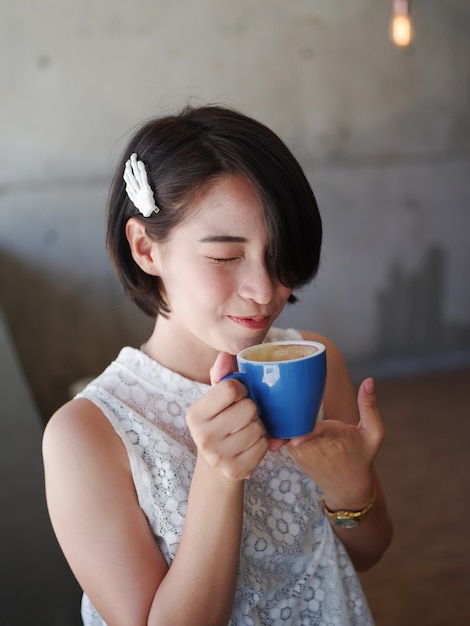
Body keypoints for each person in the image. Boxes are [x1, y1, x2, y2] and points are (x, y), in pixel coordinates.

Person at [43, 104, 393, 626]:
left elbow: (368, 551)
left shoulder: (317, 359)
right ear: (145, 248)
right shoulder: (88, 434)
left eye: (281, 256)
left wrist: (351, 492)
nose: (264, 291)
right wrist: (218, 477)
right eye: (226, 256)